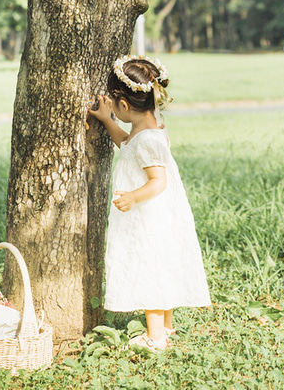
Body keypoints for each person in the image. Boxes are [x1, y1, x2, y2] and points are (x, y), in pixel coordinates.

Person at [88, 55, 211, 351]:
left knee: (149, 267)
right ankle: (166, 327)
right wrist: (107, 119)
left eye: (114, 107)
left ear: (125, 106)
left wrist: (132, 196)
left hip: (148, 215)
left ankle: (155, 337)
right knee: (160, 265)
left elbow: (159, 180)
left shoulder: (148, 141)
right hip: (157, 214)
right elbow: (127, 146)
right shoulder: (148, 130)